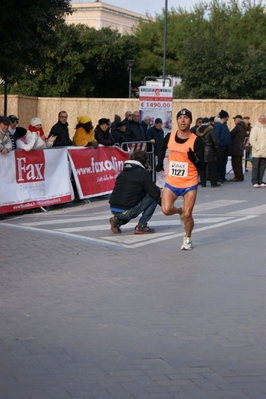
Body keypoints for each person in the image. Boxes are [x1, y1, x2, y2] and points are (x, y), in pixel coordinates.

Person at [156, 108, 205, 250]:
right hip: (172, 181)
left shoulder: (197, 141)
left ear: (190, 121)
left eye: (186, 118)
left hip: (189, 182)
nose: (182, 120)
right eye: (180, 117)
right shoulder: (170, 136)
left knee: (188, 214)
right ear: (177, 120)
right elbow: (161, 149)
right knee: (166, 210)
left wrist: (194, 159)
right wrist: (159, 162)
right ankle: (179, 212)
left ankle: (187, 238)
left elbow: (202, 165)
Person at [109, 150, 161, 234]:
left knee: (132, 200)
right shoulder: (142, 173)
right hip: (125, 211)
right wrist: (164, 204)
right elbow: (154, 193)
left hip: (113, 208)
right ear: (144, 162)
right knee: (156, 192)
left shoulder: (123, 172)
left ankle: (117, 220)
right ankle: (141, 226)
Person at [196, 117, 220, 187]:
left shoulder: (198, 130)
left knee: (202, 168)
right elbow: (215, 140)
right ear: (208, 122)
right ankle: (213, 183)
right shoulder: (211, 129)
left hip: (200, 150)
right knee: (212, 168)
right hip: (210, 150)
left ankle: (203, 183)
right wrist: (216, 148)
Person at [214, 110, 231, 183]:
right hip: (221, 146)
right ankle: (218, 177)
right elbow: (217, 135)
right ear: (225, 117)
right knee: (220, 162)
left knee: (224, 162)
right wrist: (221, 144)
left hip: (225, 145)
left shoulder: (224, 124)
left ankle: (222, 176)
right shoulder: (218, 124)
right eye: (227, 117)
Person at [249, 114, 266, 188]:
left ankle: (260, 180)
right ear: (259, 119)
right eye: (261, 119)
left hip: (265, 151)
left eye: (264, 119)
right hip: (257, 151)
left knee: (262, 167)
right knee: (255, 167)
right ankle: (255, 181)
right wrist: (258, 148)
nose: (263, 120)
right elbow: (252, 140)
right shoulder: (255, 128)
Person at [229, 115, 246, 181]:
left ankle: (238, 176)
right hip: (239, 147)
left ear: (238, 120)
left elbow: (231, 134)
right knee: (239, 163)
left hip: (236, 147)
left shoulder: (238, 127)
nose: (234, 121)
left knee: (235, 163)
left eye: (235, 120)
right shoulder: (243, 127)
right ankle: (240, 175)